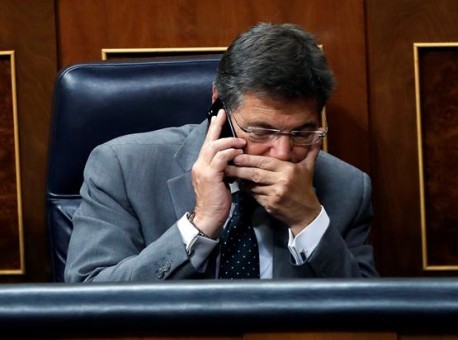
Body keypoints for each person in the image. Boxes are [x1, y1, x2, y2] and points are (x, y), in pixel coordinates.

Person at [64, 22, 378, 281]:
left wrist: (308, 221)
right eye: (261, 131)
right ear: (218, 104)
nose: (282, 153)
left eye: (302, 132)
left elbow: (373, 318)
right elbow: (89, 296)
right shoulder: (123, 167)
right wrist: (200, 224)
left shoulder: (347, 187)